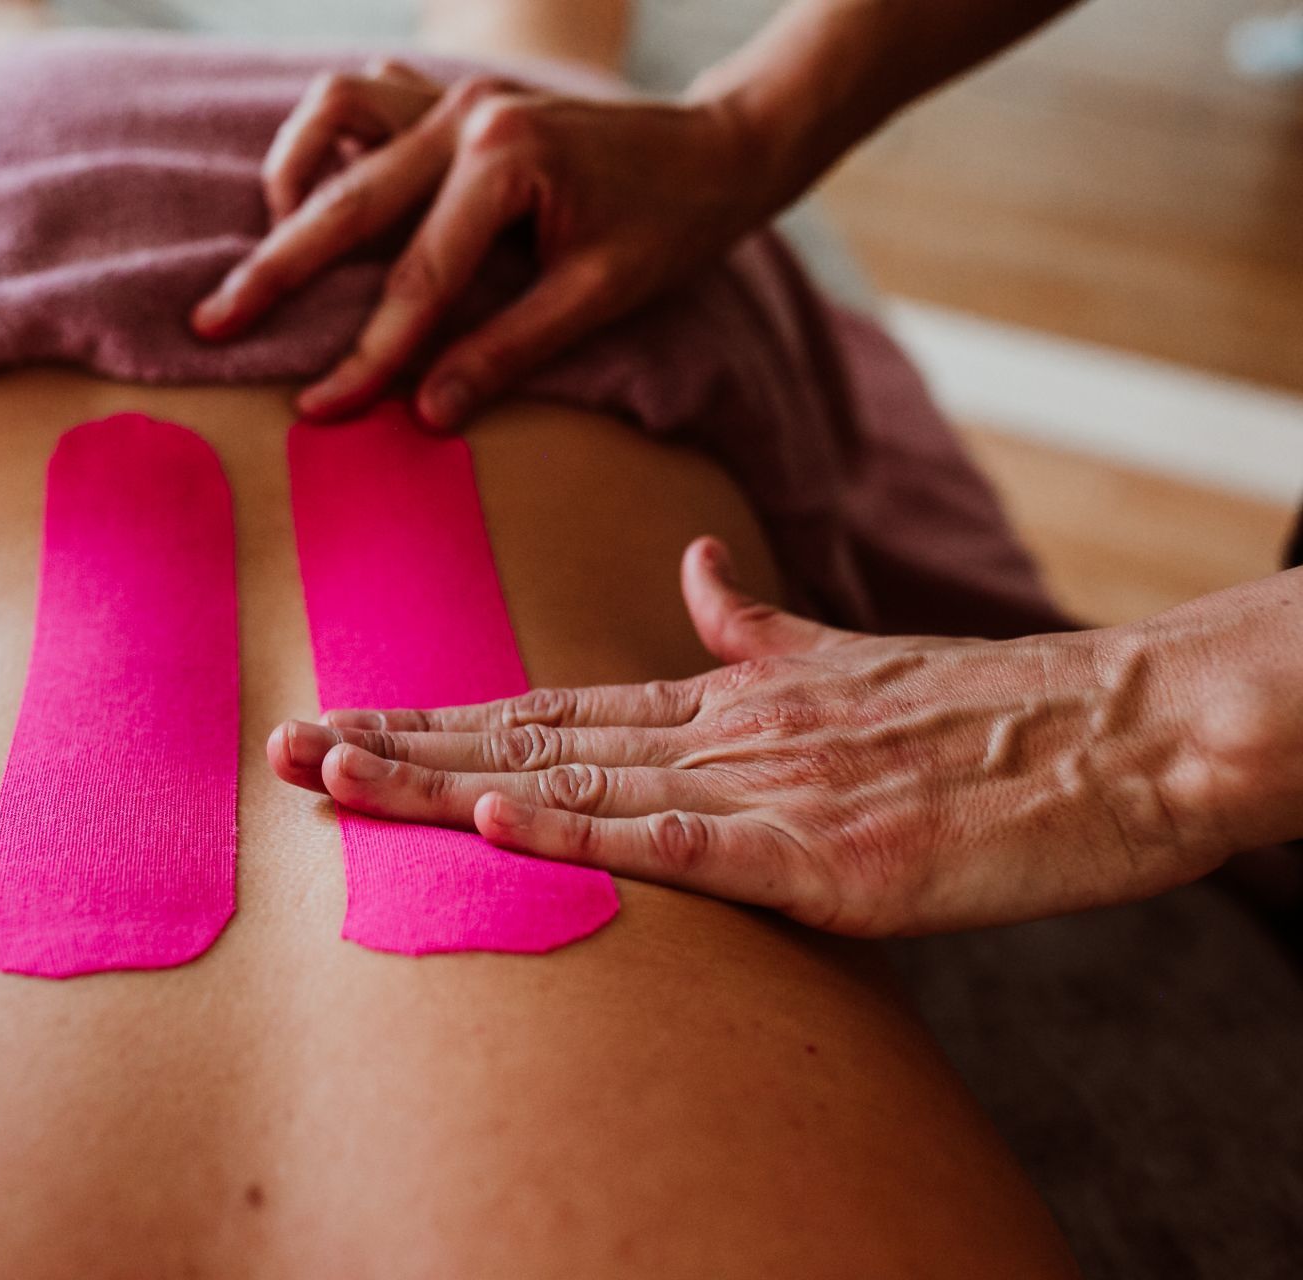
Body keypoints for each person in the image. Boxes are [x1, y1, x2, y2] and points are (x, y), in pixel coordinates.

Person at [0, 1, 1084, 1276]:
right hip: (529, 276)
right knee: (520, 51)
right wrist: (729, 137)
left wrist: (737, 130)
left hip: (1, 217)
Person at [201, 0, 1303, 939]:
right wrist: (740, 129)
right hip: (476, 174)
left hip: (438, 185)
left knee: (528, 46)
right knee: (529, 55)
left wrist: (1151, 719)